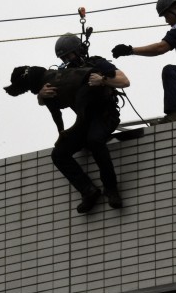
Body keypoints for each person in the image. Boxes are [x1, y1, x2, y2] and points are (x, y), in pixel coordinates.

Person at [42, 33, 130, 213]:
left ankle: (111, 188)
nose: (67, 60)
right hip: (83, 121)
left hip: (105, 115)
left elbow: (124, 80)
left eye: (69, 55)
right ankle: (88, 190)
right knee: (59, 154)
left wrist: (103, 79)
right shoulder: (64, 75)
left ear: (79, 51)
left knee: (94, 140)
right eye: (64, 58)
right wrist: (41, 94)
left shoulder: (97, 64)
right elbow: (46, 100)